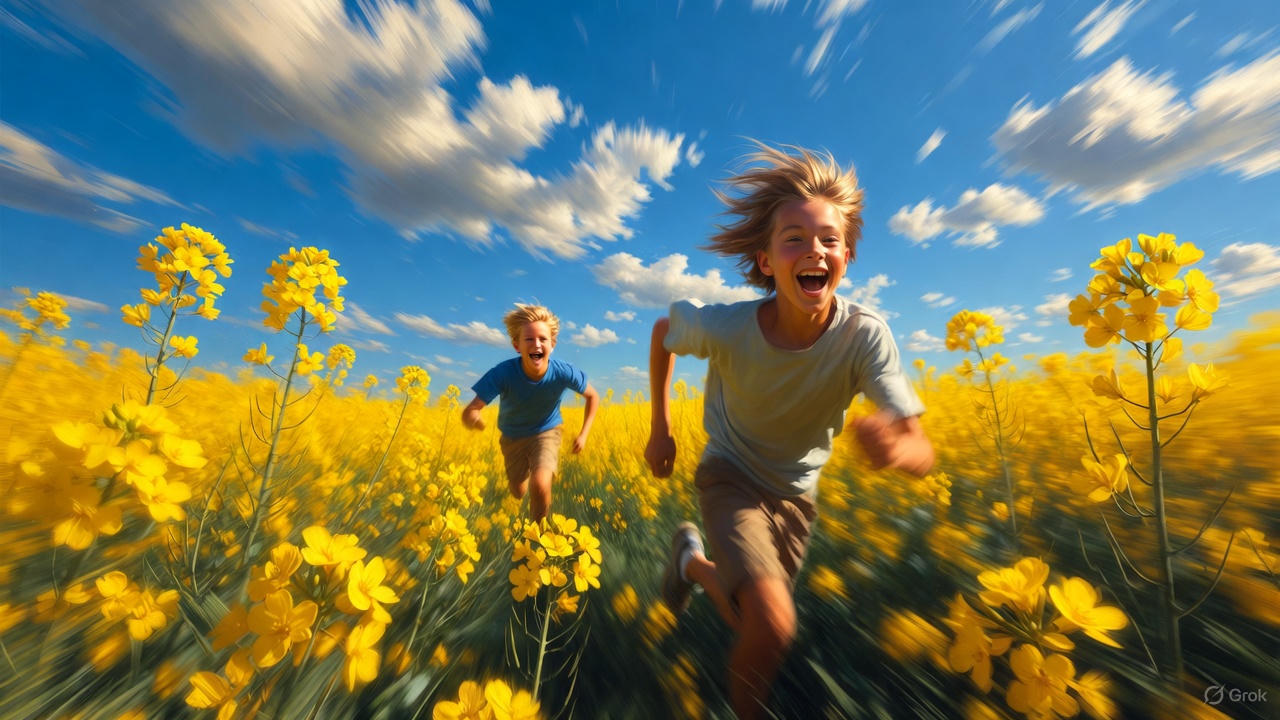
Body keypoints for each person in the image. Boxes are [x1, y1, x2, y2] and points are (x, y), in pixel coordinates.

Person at [645, 142, 934, 720]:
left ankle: (689, 564)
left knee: (750, 615)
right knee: (773, 622)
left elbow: (920, 447)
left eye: (829, 238)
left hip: (797, 495)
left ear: (847, 255)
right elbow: (662, 332)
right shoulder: (727, 328)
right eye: (794, 239)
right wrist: (661, 427)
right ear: (766, 262)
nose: (814, 250)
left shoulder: (864, 336)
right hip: (729, 474)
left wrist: (896, 450)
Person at [463, 304, 599, 522]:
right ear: (517, 345)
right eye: (529, 339)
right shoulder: (503, 373)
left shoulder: (564, 371)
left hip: (547, 430)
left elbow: (593, 396)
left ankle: (538, 536)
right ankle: (520, 484)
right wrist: (474, 419)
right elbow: (471, 409)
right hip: (512, 437)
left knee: (541, 483)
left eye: (543, 339)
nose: (536, 344)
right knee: (519, 492)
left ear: (552, 345)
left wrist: (584, 434)